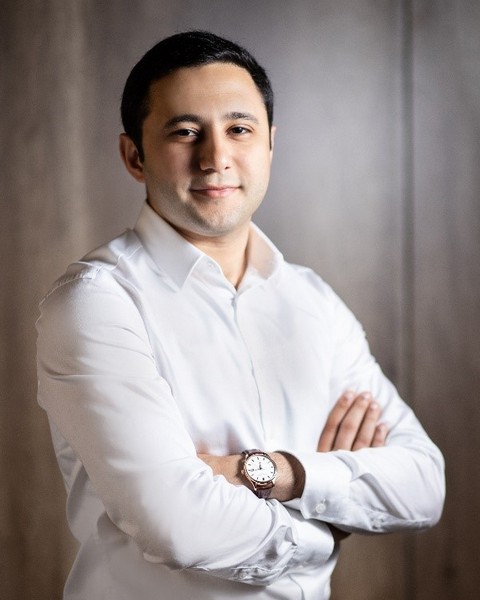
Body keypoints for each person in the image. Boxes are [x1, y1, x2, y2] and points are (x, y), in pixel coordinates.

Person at [36, 30, 445, 600]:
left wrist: (281, 473)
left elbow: (423, 483)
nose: (215, 158)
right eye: (185, 132)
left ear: (270, 143)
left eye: (239, 129)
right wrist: (328, 525)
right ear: (134, 156)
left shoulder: (312, 301)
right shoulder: (97, 302)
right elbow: (178, 525)